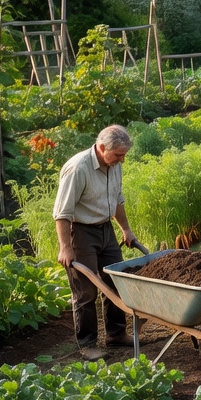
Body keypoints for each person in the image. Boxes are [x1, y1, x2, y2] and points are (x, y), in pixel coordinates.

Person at [53, 125, 140, 361]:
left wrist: (126, 229)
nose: (122, 160)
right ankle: (87, 344)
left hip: (105, 229)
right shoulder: (78, 168)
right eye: (118, 155)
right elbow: (62, 213)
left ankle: (116, 333)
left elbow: (117, 200)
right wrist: (65, 247)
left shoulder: (114, 165)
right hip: (80, 232)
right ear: (101, 148)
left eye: (124, 155)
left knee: (115, 281)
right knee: (85, 291)